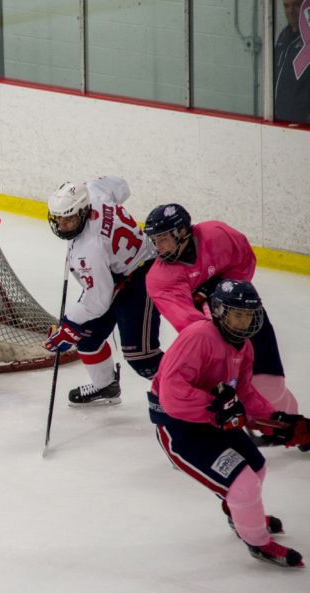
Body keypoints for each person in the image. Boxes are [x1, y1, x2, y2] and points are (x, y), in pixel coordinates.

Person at [148, 279, 308, 567]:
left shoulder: (243, 347)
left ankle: (241, 515)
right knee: (242, 484)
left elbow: (244, 393)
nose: (245, 321)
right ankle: (258, 543)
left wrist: (277, 421)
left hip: (212, 419)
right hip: (178, 426)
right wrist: (215, 407)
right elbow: (172, 395)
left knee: (256, 468)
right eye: (238, 314)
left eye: (249, 314)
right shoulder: (199, 337)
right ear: (220, 312)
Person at [143, 203, 298, 416]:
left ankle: (290, 420)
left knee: (270, 386)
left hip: (243, 314)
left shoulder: (217, 235)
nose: (157, 247)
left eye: (162, 239)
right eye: (154, 240)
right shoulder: (160, 278)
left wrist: (223, 288)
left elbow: (244, 262)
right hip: (212, 340)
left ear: (182, 231)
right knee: (231, 395)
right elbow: (189, 323)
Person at [43, 177, 163, 406]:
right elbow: (121, 186)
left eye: (69, 219)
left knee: (142, 356)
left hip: (143, 275)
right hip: (115, 272)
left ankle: (189, 394)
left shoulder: (89, 249)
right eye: (58, 218)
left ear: (83, 211)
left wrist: (69, 323)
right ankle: (106, 386)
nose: (61, 226)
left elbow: (99, 300)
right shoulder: (94, 191)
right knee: (87, 338)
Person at [274, 0, 310, 124]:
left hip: (302, 124)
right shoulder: (283, 36)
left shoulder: (307, 40)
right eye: (286, 6)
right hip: (280, 119)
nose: (291, 11)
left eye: (296, 5)